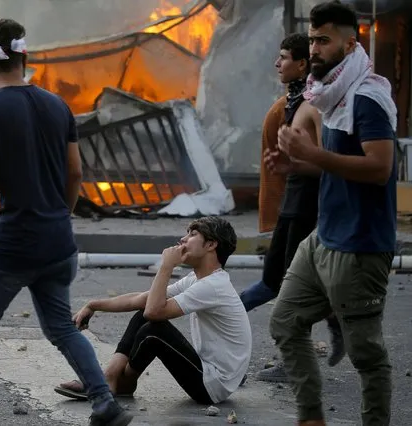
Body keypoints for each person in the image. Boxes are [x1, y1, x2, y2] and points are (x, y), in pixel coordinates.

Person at [0, 19, 132, 426]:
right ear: (24, 57)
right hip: (58, 240)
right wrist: (59, 213)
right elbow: (75, 173)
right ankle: (104, 403)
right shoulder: (57, 105)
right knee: (61, 327)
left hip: (13, 242)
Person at [269, 2, 398, 425]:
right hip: (324, 237)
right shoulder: (330, 95)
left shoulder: (367, 97)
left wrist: (314, 153)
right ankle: (312, 418)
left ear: (350, 42)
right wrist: (298, 164)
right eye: (312, 39)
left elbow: (379, 169)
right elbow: (334, 162)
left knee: (367, 356)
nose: (316, 48)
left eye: (324, 40)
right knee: (286, 321)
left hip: (360, 246)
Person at [54, 217, 252, 407]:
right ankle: (112, 380)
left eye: (192, 235)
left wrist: (166, 265)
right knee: (144, 313)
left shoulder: (213, 286)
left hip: (213, 386)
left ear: (211, 245)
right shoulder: (197, 279)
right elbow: (141, 300)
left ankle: (114, 382)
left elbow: (155, 311)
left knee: (155, 329)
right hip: (207, 373)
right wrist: (93, 305)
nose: (183, 239)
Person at [239, 33, 345, 383]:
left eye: (284, 57)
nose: (277, 63)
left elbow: (328, 161)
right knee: (274, 278)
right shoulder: (292, 103)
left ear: (301, 64)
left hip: (308, 207)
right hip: (291, 204)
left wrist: (294, 166)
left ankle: (297, 359)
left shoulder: (314, 105)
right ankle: (226, 312)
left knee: (289, 286)